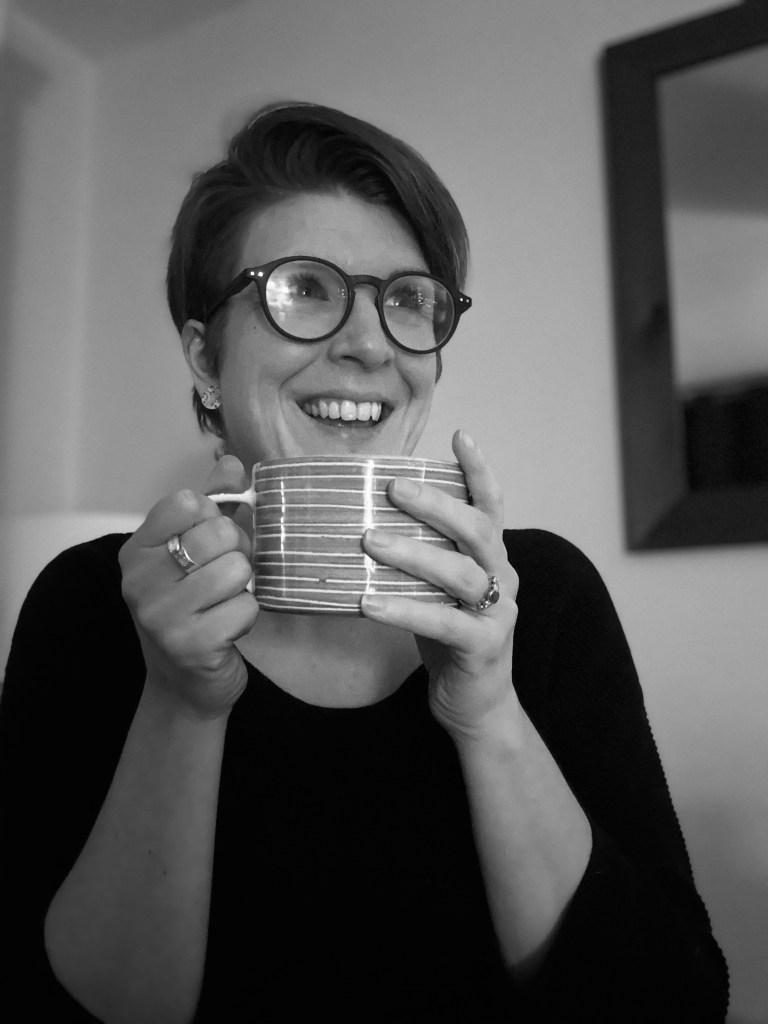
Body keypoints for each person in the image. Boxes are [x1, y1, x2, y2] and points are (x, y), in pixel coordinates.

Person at [0, 102, 728, 1023]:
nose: (371, 342)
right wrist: (180, 702)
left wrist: (488, 709)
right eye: (304, 289)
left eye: (408, 298)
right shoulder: (92, 602)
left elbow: (673, 1003)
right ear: (206, 359)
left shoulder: (540, 596)